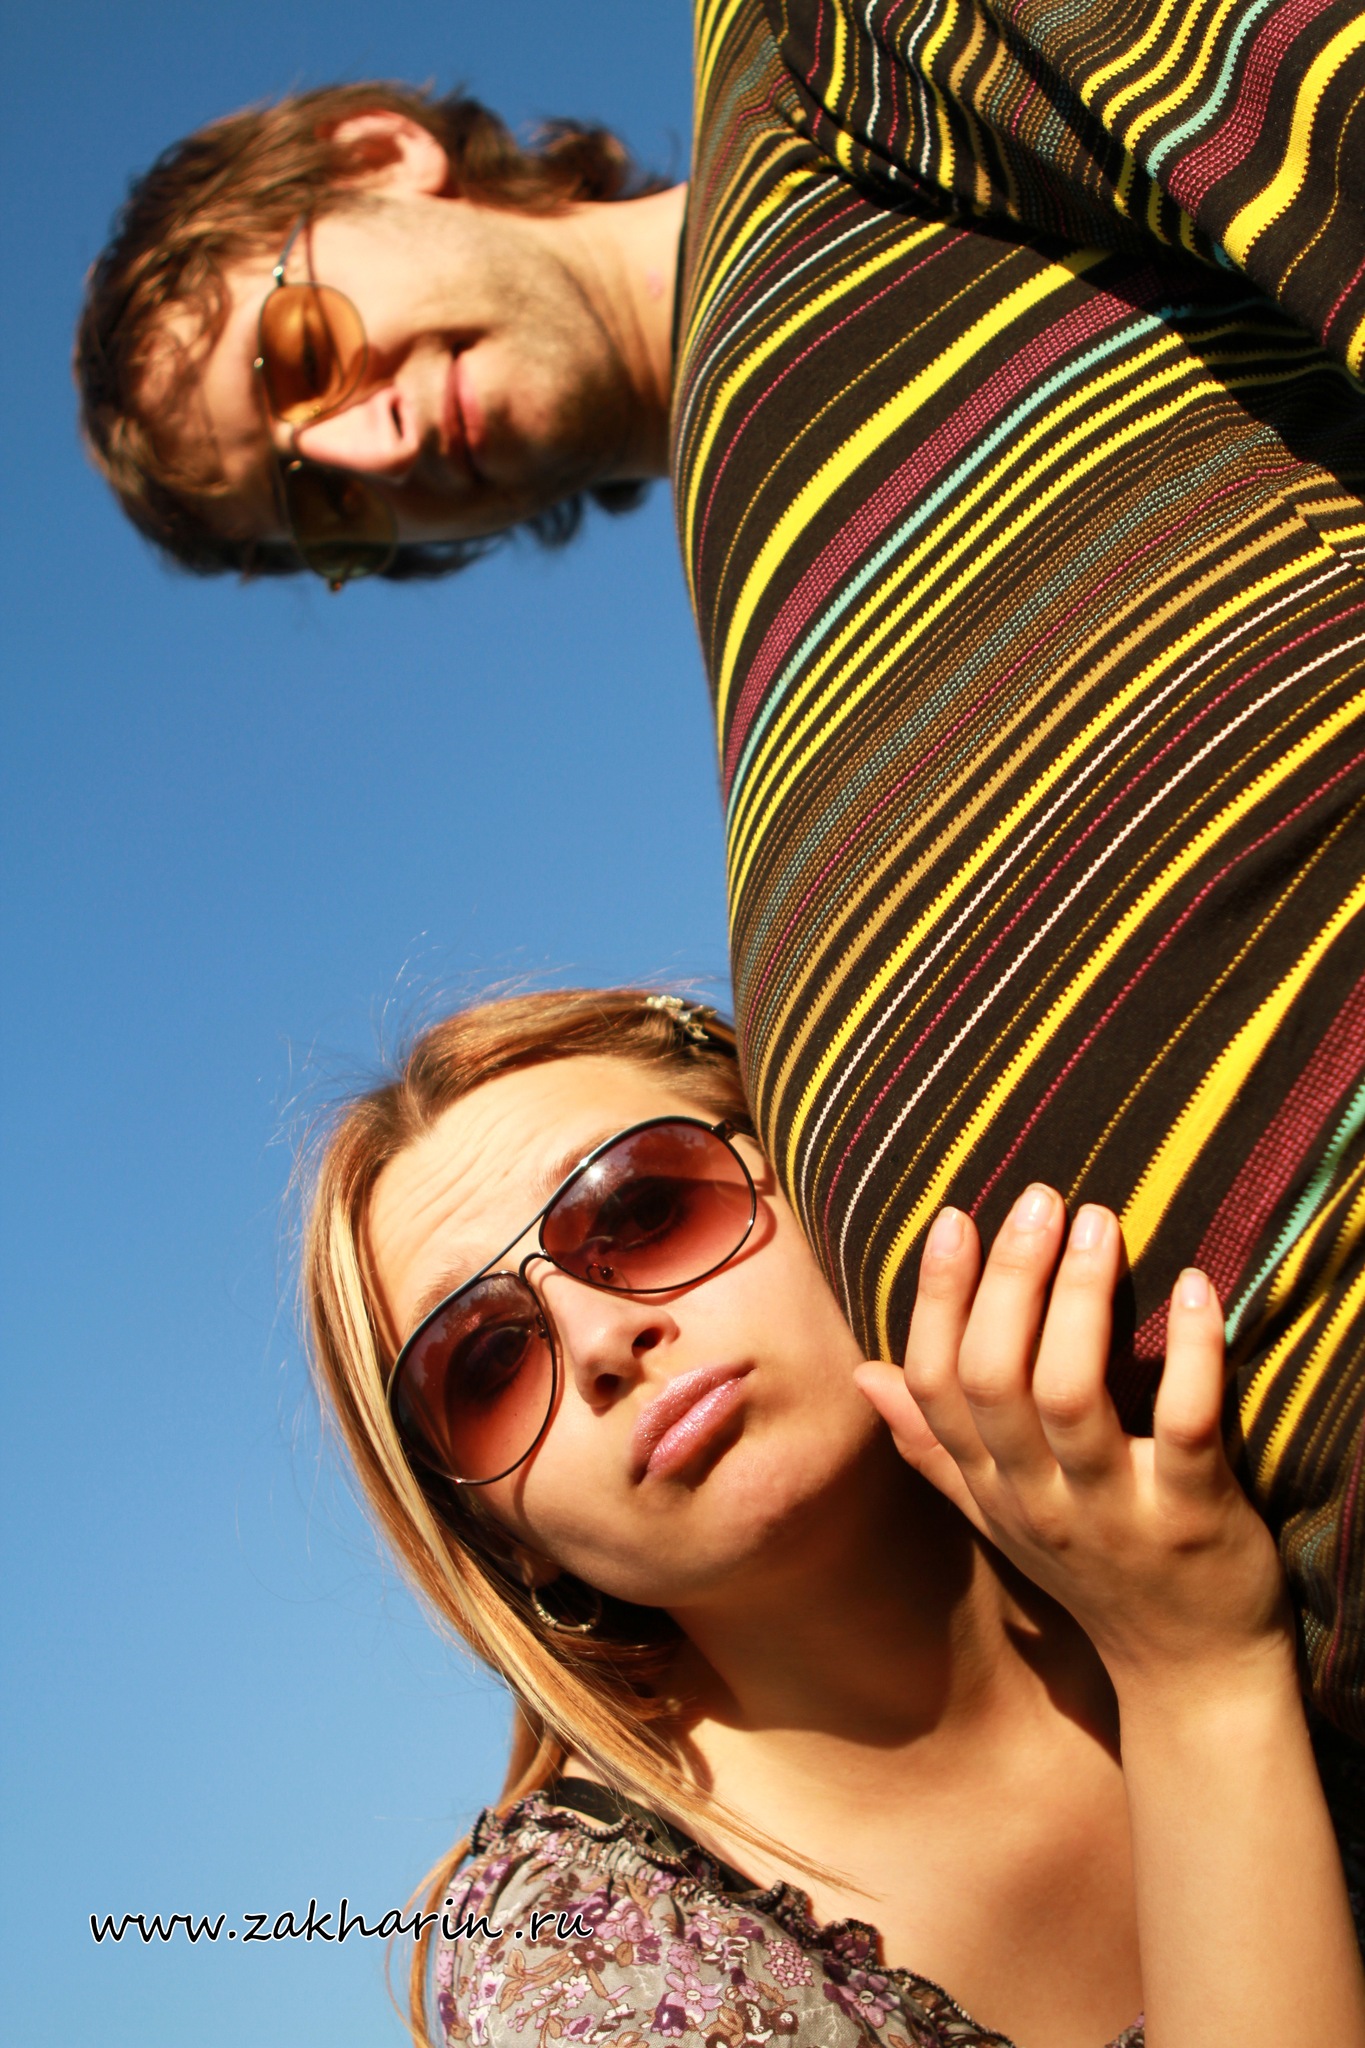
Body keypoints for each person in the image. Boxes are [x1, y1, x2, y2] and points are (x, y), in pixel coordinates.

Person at [82, 9, 1365, 1731]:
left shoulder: (809, 53)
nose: (372, 452)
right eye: (315, 509)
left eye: (302, 354)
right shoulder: (746, 586)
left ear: (379, 156)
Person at [302, 984, 1365, 2048]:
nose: (597, 1340)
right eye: (485, 1363)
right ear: (500, 1537)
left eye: (644, 1208)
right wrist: (1200, 1676)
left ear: (821, 1180)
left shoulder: (1262, 1411)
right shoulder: (587, 1966)